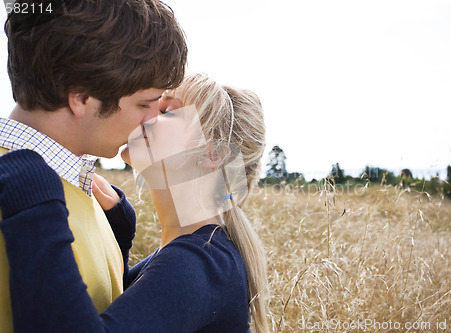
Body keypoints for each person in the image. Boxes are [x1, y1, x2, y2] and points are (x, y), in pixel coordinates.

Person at [0, 73, 270, 332]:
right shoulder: (199, 253)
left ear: (212, 155)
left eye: (166, 111)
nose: (147, 114)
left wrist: (34, 199)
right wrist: (119, 234)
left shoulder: (201, 263)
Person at [0, 1, 187, 331]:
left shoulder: (87, 192)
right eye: (145, 103)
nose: (154, 119)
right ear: (81, 97)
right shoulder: (21, 200)